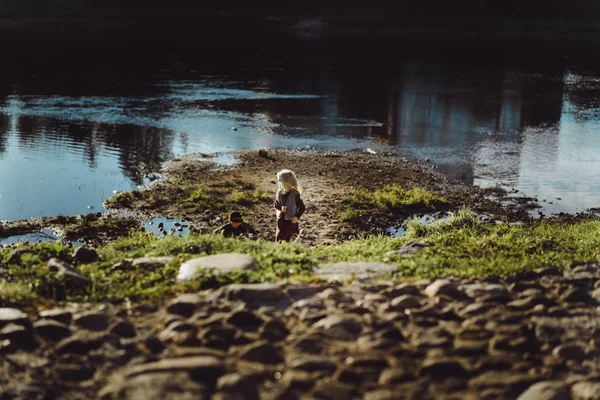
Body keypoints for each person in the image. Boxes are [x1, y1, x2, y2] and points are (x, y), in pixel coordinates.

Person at [274, 169, 305, 243]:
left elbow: (302, 207)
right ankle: (280, 250)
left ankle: (287, 250)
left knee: (287, 239)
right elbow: (276, 204)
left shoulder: (295, 194)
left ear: (287, 182)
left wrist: (297, 217)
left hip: (290, 221)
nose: (279, 182)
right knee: (279, 238)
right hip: (281, 221)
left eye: (280, 180)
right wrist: (280, 208)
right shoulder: (279, 193)